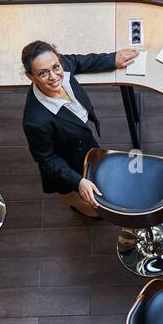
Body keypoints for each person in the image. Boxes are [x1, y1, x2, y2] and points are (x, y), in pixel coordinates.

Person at [21, 39, 139, 217]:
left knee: (98, 183)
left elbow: (77, 61)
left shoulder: (63, 66)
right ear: (31, 76)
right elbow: (47, 159)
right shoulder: (35, 121)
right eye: (43, 73)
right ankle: (84, 211)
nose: (53, 77)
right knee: (90, 207)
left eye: (56, 67)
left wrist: (111, 59)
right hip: (66, 160)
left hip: (80, 139)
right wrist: (78, 182)